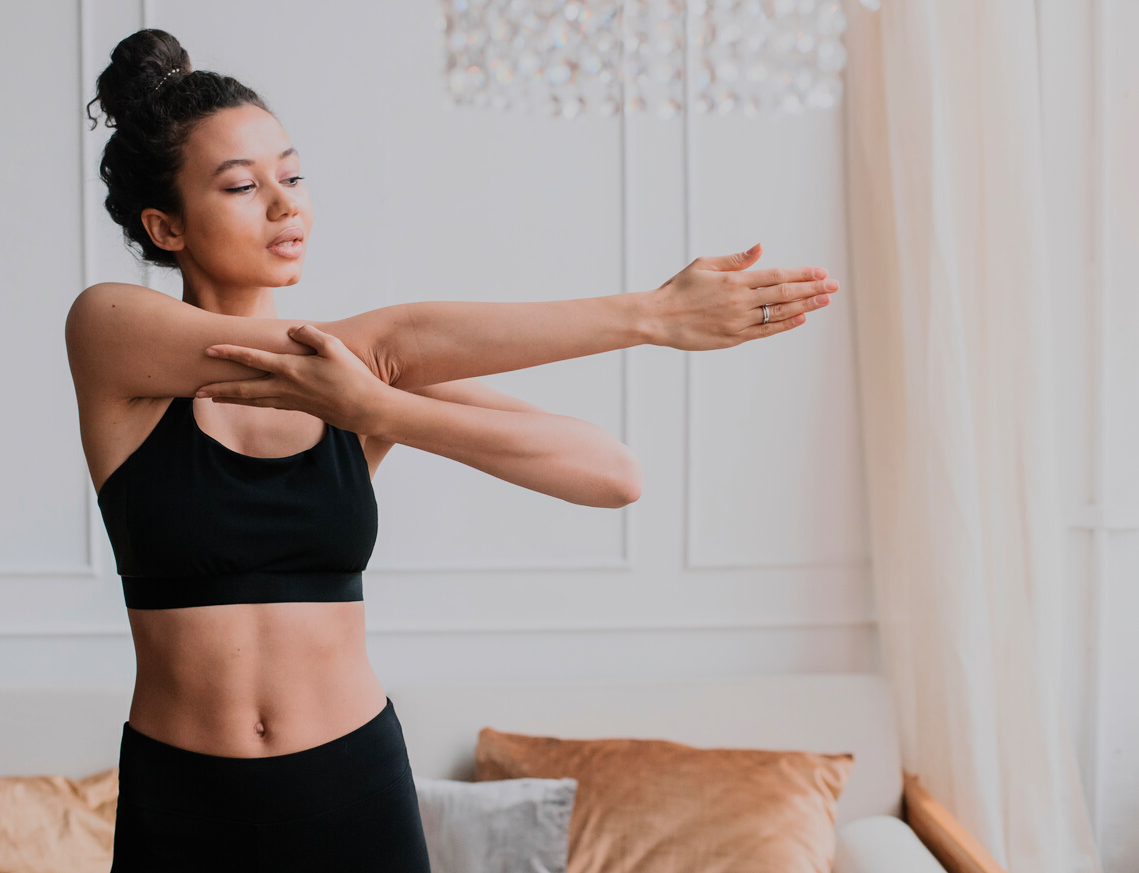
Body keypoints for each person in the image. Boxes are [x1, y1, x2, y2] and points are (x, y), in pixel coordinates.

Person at [64, 27, 838, 872]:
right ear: (163, 225)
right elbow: (392, 339)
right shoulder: (111, 333)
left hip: (353, 791)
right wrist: (646, 316)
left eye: (292, 175)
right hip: (183, 806)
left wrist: (381, 410)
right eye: (244, 186)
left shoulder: (364, 380)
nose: (286, 205)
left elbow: (615, 474)